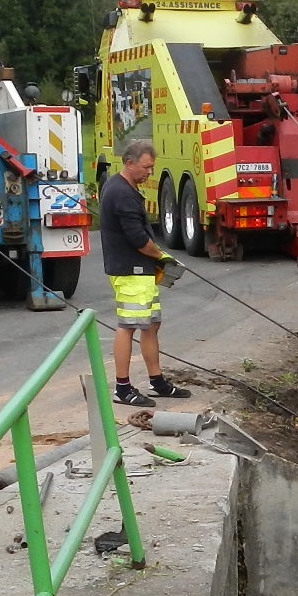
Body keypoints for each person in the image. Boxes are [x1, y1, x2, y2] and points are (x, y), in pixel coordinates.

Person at [99, 139, 191, 407]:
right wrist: (164, 258)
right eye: (146, 167)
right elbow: (139, 240)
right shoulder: (121, 194)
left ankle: (157, 382)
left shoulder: (123, 187)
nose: (150, 172)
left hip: (141, 271)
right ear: (129, 163)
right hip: (130, 271)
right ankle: (123, 388)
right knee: (128, 326)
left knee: (151, 324)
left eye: (152, 167)